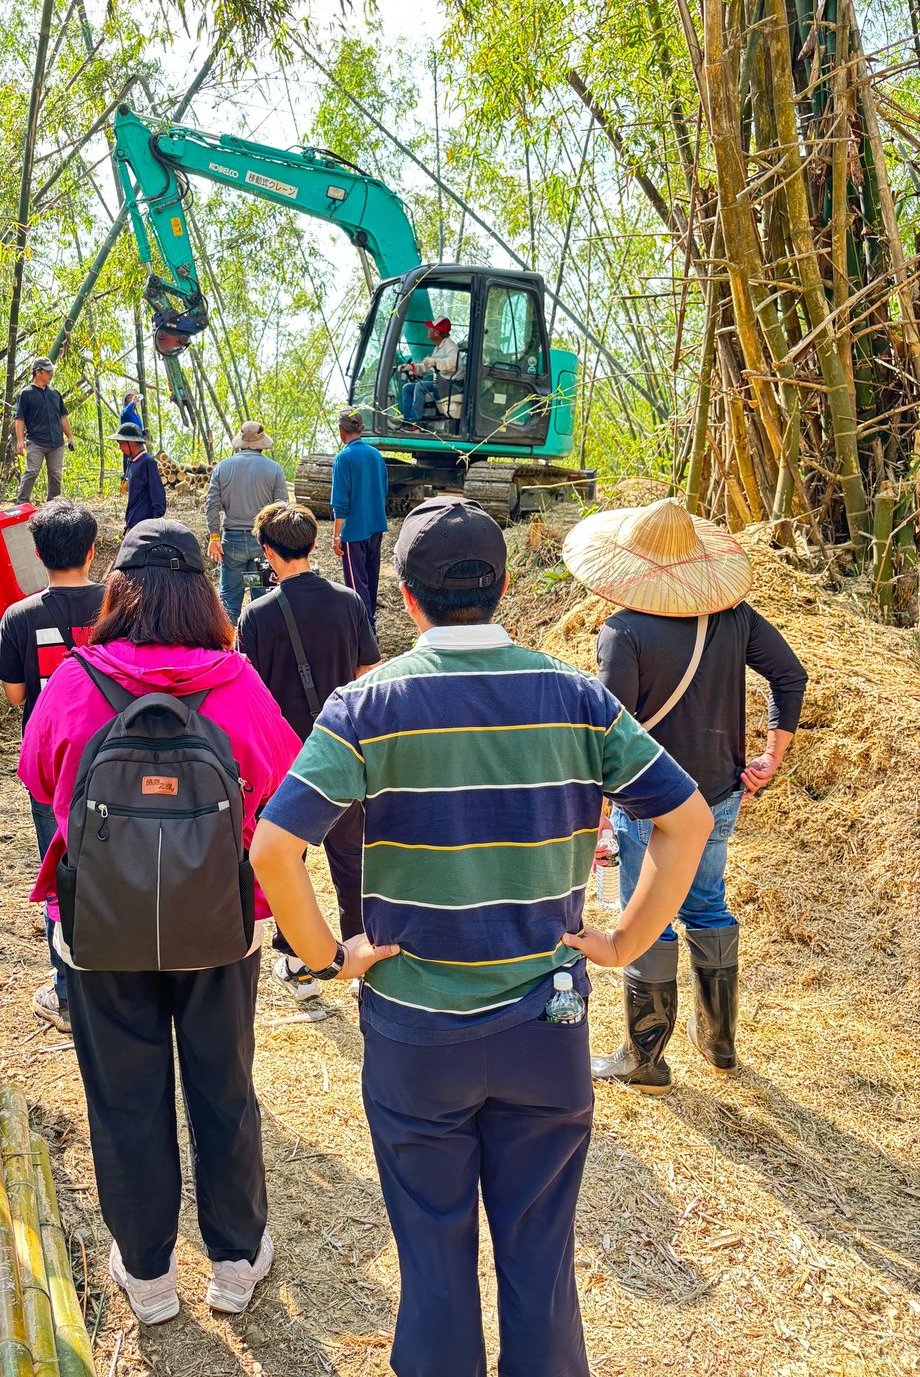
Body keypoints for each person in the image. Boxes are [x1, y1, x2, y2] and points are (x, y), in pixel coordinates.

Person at [251, 496, 712, 1377]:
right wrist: (620, 940)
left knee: (431, 1258)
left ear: (406, 597)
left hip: (414, 1031)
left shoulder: (367, 706)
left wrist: (327, 956)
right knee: (540, 1264)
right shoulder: (577, 698)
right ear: (503, 587)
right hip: (547, 1025)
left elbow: (275, 847)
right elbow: (686, 819)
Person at [19, 520, 299, 1327]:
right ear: (204, 594)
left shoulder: (78, 679)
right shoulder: (236, 682)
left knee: (124, 1097)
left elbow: (38, 774)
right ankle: (236, 1261)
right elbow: (282, 783)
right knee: (224, 1087)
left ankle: (147, 1275)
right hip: (220, 920)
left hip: (101, 927)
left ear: (119, 592)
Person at [562, 499, 808, 1091]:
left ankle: (644, 1058)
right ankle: (719, 1044)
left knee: (646, 918)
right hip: (720, 793)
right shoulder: (735, 617)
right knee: (707, 904)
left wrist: (595, 813)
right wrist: (772, 755)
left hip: (649, 801)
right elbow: (790, 675)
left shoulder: (622, 631)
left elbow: (610, 731)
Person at [236, 503, 380, 1003]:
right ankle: (368, 961)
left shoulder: (256, 615)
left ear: (268, 552)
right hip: (344, 754)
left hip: (285, 762)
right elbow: (367, 676)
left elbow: (247, 693)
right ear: (314, 546)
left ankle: (298, 963)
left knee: (284, 859)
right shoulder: (349, 602)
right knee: (352, 861)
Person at [0, 499, 105, 1034]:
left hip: (52, 766)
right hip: (119, 759)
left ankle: (65, 992)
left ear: (38, 553)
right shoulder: (119, 604)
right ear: (91, 549)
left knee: (59, 872)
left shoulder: (20, 616)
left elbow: (17, 697)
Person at [204, 421, 288, 624]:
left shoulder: (223, 468)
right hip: (263, 543)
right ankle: (261, 649)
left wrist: (214, 537)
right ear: (262, 444)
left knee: (229, 602)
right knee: (264, 599)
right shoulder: (274, 469)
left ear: (240, 443)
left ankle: (228, 649)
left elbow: (212, 504)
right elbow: (282, 508)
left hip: (231, 544)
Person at [330, 408, 389, 623]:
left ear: (340, 430)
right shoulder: (376, 455)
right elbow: (384, 490)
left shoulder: (343, 459)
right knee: (371, 577)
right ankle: (370, 621)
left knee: (356, 584)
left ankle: (365, 630)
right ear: (361, 429)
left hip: (354, 531)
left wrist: (337, 536)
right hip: (376, 526)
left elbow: (340, 503)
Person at [15, 356, 74, 502]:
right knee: (32, 471)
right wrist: (20, 441)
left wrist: (70, 436)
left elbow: (63, 417)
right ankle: (21, 503)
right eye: (48, 372)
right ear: (38, 372)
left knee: (55, 475)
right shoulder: (26, 394)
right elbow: (19, 419)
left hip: (56, 442)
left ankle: (53, 507)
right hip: (36, 442)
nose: (50, 375)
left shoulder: (55, 393)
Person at [399, 316, 461, 425]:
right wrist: (411, 367)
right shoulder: (437, 348)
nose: (428, 331)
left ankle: (415, 423)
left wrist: (435, 362)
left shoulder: (450, 345)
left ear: (436, 332)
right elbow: (426, 367)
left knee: (420, 386)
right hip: (439, 384)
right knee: (407, 388)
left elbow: (453, 363)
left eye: (430, 329)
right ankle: (408, 419)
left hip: (450, 385)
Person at [112, 423, 166, 529]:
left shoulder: (147, 462)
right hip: (133, 522)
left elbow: (158, 496)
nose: (120, 448)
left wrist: (154, 525)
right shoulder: (132, 462)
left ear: (131, 442)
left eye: (121, 443)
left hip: (144, 525)